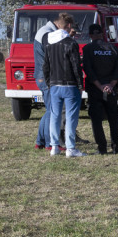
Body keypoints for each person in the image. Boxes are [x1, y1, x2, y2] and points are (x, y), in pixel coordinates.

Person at [43, 14, 85, 158]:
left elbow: (45, 66)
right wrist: (80, 84)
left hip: (54, 85)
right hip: (70, 85)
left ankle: (54, 146)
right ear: (68, 26)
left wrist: (49, 83)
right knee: (71, 117)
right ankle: (70, 148)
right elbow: (76, 66)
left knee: (55, 116)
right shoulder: (71, 43)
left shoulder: (48, 43)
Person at [82, 23, 118, 154]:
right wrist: (111, 85)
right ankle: (116, 147)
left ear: (90, 35)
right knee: (114, 119)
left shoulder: (88, 49)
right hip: (111, 89)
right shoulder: (113, 48)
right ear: (102, 34)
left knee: (96, 120)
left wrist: (100, 86)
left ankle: (102, 148)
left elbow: (88, 69)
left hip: (95, 89)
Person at [33, 18, 58, 150]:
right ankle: (50, 143)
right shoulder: (47, 34)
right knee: (53, 111)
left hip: (41, 76)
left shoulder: (43, 31)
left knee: (49, 110)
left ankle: (40, 141)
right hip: (46, 76)